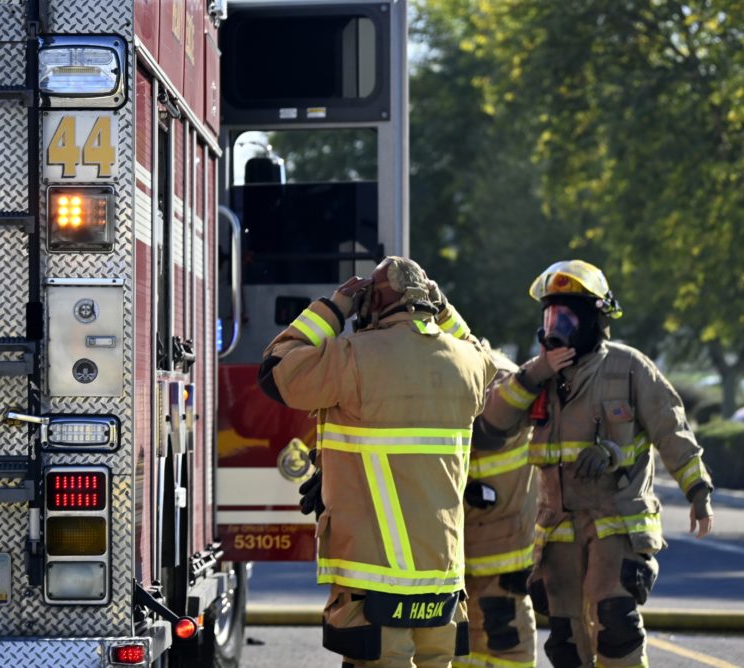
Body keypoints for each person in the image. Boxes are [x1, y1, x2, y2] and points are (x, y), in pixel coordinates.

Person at [258, 256, 495, 668]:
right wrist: (445, 311)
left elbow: (275, 369)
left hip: (374, 574)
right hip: (442, 571)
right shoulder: (468, 362)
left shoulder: (354, 356)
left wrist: (332, 308)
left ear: (373, 303)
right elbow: (483, 356)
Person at [482, 260, 714, 668]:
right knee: (566, 642)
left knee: (615, 623)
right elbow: (492, 424)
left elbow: (671, 430)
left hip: (617, 521)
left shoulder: (628, 368)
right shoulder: (539, 377)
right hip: (559, 530)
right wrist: (536, 372)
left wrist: (698, 490)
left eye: (567, 318)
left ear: (595, 320)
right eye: (551, 317)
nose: (557, 328)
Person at [454, 345, 539, 668]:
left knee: (506, 638)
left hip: (502, 547)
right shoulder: (469, 372)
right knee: (465, 641)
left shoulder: (498, 380)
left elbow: (487, 432)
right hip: (469, 544)